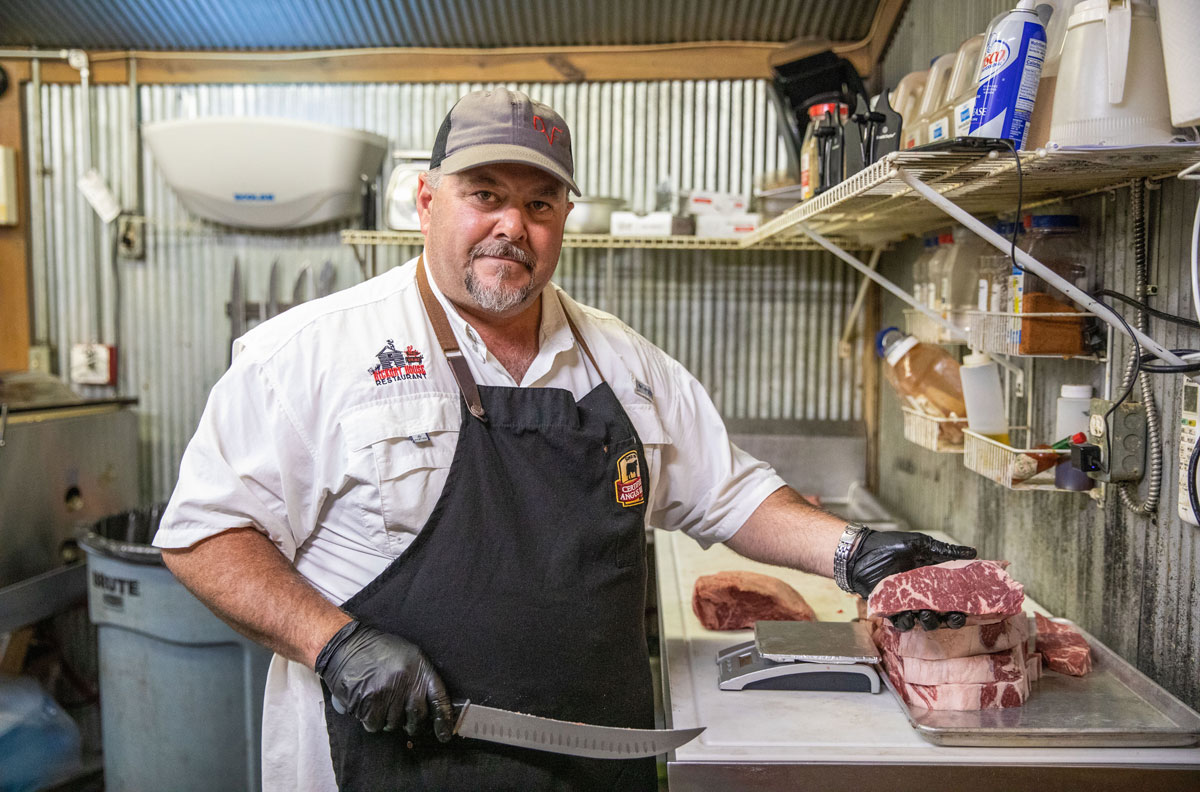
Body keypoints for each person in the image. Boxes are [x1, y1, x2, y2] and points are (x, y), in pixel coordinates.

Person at [154, 88, 975, 792]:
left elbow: (727, 492)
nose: (512, 225)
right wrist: (335, 646)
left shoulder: (622, 362)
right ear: (426, 199)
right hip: (383, 761)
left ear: (564, 217)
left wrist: (855, 552)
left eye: (539, 203)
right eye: (484, 194)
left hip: (588, 763)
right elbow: (204, 535)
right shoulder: (312, 354)